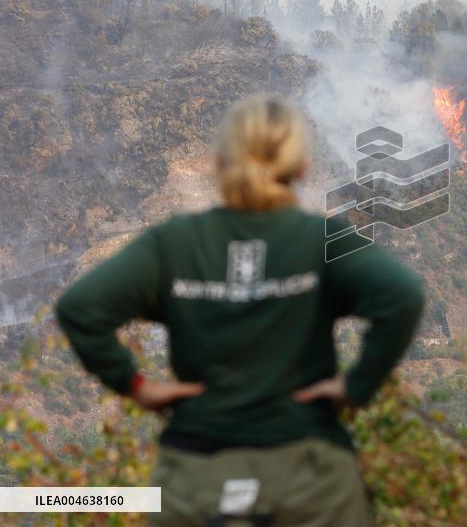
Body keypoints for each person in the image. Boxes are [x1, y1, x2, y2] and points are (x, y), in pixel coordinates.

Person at [56, 95, 425, 526]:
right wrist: (355, 386)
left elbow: (80, 307)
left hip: (198, 476)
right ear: (301, 166)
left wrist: (136, 385)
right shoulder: (320, 240)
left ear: (217, 162)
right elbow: (403, 296)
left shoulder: (174, 244)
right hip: (308, 476)